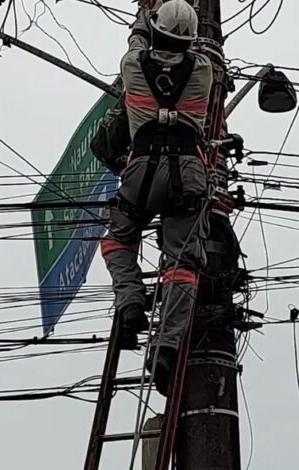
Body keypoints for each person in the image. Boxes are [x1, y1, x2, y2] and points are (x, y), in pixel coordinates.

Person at [100, 0, 213, 395]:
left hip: (142, 169)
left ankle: (131, 302)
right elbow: (190, 52)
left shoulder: (132, 66)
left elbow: (136, 40)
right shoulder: (203, 71)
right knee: (182, 262)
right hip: (188, 171)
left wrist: (145, 10)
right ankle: (165, 346)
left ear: (155, 29)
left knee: (117, 239)